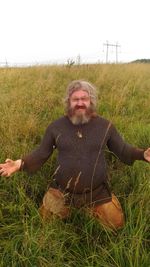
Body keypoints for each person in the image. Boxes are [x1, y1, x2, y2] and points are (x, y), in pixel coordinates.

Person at [0, 80, 150, 230]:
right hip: (61, 192)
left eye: (84, 98)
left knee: (116, 226)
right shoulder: (56, 127)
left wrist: (143, 154)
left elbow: (123, 150)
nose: (80, 103)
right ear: (68, 102)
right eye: (75, 99)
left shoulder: (105, 126)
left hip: (97, 193)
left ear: (91, 101)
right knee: (44, 226)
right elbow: (42, 153)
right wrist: (19, 164)